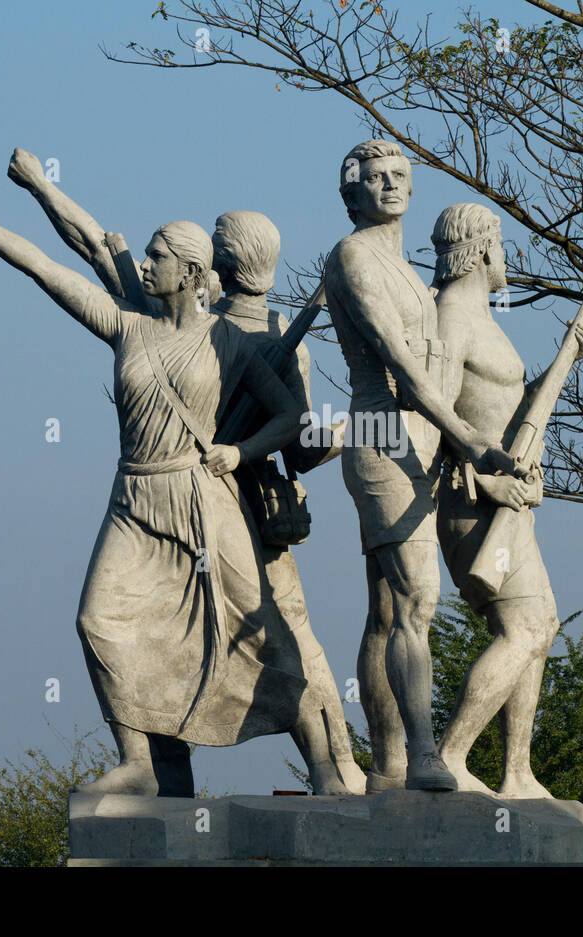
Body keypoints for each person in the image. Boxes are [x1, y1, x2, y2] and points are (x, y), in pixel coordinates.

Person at [0, 174, 346, 795]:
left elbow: (288, 419)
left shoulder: (230, 342)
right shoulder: (128, 326)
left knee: (263, 635)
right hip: (134, 499)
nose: (143, 265)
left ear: (193, 271)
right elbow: (44, 268)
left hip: (204, 499)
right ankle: (139, 765)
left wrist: (240, 450)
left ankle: (327, 769)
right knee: (99, 620)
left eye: (156, 256)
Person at [322, 140, 521, 791]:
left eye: (399, 175)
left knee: (387, 611)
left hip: (426, 448)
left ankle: (386, 764)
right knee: (418, 598)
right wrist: (468, 438)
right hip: (385, 441)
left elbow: (444, 356)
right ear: (350, 193)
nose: (389, 185)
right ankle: (422, 753)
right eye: (374, 177)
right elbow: (400, 363)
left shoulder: (406, 268)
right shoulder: (354, 257)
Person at [430, 203, 583, 798]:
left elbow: (512, 407)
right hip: (475, 501)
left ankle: (517, 770)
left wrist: (566, 358)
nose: (508, 256)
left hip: (511, 501)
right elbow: (437, 412)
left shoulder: (478, 317)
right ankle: (451, 754)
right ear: (479, 250)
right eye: (500, 243)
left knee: (539, 626)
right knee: (522, 627)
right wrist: (482, 477)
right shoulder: (453, 317)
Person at [210, 210, 365, 793]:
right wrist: (355, 429)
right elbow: (301, 452)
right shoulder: (279, 335)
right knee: (293, 638)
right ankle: (338, 768)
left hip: (211, 501)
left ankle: (336, 766)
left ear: (222, 263)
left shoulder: (195, 328)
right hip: (247, 501)